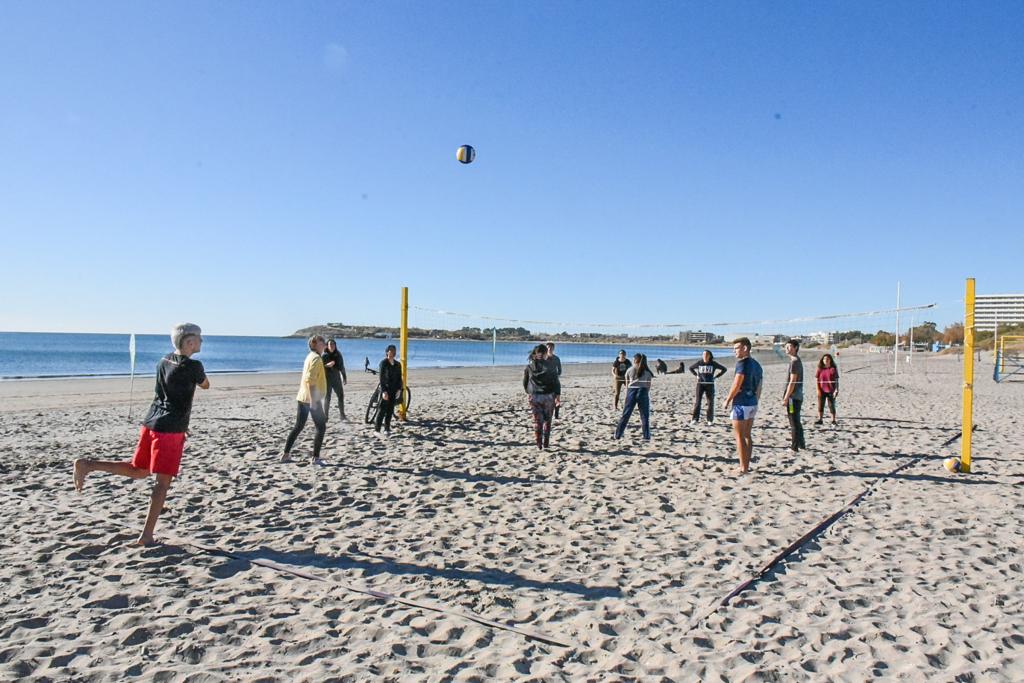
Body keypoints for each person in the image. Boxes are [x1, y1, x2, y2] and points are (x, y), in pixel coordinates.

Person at [73, 323, 210, 545]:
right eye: (199, 338)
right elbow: (205, 385)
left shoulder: (163, 360)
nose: (202, 342)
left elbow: (172, 394)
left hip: (151, 423)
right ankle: (147, 535)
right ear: (189, 342)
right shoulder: (193, 366)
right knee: (161, 484)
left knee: (139, 471)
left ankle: (89, 465)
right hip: (169, 430)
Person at [282, 335, 328, 464]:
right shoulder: (316, 359)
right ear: (315, 344)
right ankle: (316, 457)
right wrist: (314, 400)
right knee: (321, 427)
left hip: (303, 397)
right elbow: (310, 379)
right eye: (322, 342)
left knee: (299, 426)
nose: (324, 344)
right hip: (312, 399)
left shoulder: (310, 356)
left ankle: (286, 454)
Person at [723, 337, 763, 474]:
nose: (734, 351)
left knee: (739, 436)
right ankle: (746, 465)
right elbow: (759, 386)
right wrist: (756, 400)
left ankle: (743, 467)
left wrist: (727, 400)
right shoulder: (757, 364)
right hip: (752, 402)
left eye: (736, 348)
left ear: (745, 348)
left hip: (742, 402)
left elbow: (737, 383)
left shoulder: (742, 363)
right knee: (747, 435)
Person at [523, 344, 560, 449]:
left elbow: (525, 383)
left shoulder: (529, 367)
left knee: (537, 421)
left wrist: (529, 392)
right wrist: (557, 396)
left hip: (534, 396)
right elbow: (556, 382)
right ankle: (546, 443)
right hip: (548, 396)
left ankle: (539, 443)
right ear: (544, 354)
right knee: (547, 421)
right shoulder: (550, 366)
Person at [614, 353, 654, 442]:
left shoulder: (630, 369)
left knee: (626, 414)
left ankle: (618, 435)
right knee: (644, 416)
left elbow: (627, 384)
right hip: (643, 391)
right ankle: (646, 436)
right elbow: (648, 386)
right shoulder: (647, 372)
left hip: (632, 391)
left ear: (635, 360)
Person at [689, 350, 727, 425]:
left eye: (706, 354)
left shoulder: (713, 363)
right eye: (703, 354)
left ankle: (709, 420)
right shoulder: (699, 363)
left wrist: (716, 377)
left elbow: (724, 369)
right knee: (698, 402)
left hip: (710, 384)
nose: (704, 356)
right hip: (700, 384)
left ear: (709, 356)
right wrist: (696, 375)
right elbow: (691, 368)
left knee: (710, 402)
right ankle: (695, 419)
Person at [782, 339, 806, 452]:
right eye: (786, 347)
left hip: (793, 398)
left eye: (789, 347)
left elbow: (792, 381)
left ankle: (794, 447)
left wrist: (786, 397)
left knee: (793, 421)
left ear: (796, 347)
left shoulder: (795, 361)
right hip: (797, 396)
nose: (786, 349)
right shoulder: (795, 360)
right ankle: (801, 444)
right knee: (796, 420)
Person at [375, 344, 403, 437]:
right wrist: (384, 391)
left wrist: (399, 389)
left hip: (394, 390)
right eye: (390, 350)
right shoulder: (383, 363)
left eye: (394, 350)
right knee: (382, 409)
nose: (392, 352)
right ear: (387, 352)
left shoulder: (398, 364)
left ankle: (387, 428)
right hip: (386, 389)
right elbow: (381, 378)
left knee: (390, 410)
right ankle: (377, 429)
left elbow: (400, 378)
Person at [322, 338, 348, 421]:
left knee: (341, 396)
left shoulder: (338, 354)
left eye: (333, 344)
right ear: (327, 346)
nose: (332, 346)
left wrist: (344, 377)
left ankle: (342, 415)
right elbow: (319, 368)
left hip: (336, 379)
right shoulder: (324, 355)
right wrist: (327, 365)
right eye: (330, 344)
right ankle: (325, 416)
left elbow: (342, 367)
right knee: (327, 397)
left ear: (335, 346)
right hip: (327, 379)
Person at [815, 353, 840, 425]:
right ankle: (820, 419)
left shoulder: (833, 369)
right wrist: (817, 389)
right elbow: (817, 380)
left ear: (830, 360)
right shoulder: (820, 369)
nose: (826, 360)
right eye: (824, 359)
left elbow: (836, 380)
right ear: (822, 360)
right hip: (821, 390)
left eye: (827, 359)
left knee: (831, 405)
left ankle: (833, 420)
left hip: (831, 390)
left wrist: (837, 389)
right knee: (820, 405)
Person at [545, 342, 562, 418]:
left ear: (553, 348)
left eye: (551, 347)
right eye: (548, 347)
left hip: (555, 381)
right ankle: (549, 413)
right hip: (547, 381)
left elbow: (560, 370)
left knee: (557, 399)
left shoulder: (556, 358)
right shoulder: (544, 358)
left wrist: (555, 376)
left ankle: (556, 414)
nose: (550, 349)